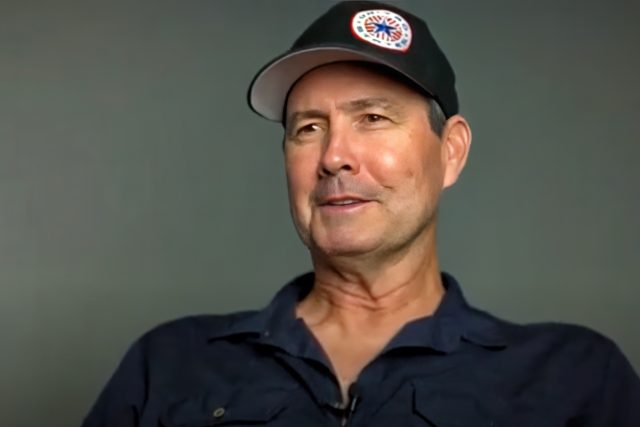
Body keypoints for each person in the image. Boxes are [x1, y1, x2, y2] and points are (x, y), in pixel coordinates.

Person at [81, 1, 640, 426]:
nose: (333, 157)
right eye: (308, 128)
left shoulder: (573, 379)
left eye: (372, 118)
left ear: (451, 151)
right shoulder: (171, 366)